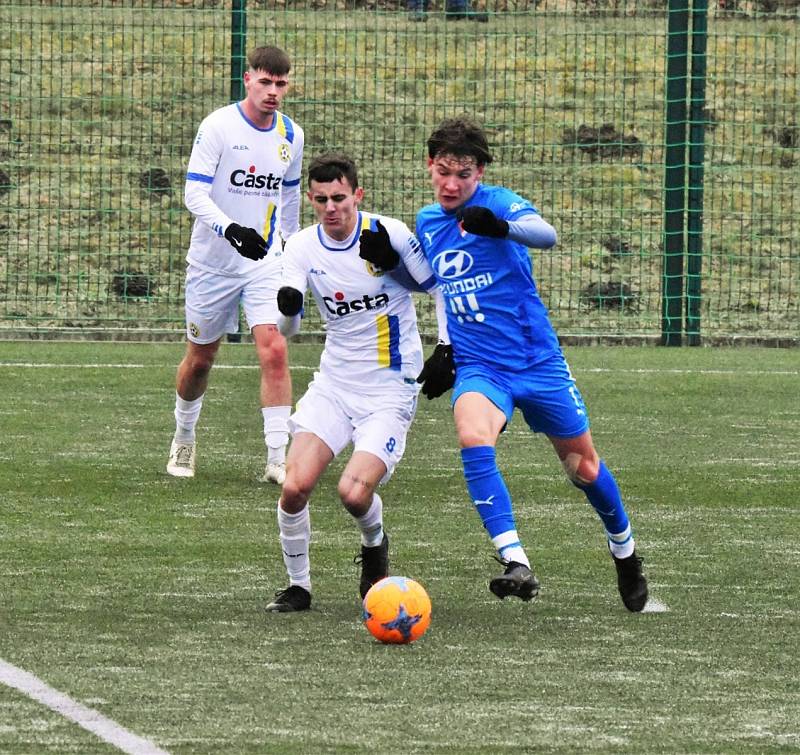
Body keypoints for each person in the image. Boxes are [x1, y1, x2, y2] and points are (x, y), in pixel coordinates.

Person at [412, 115, 649, 612]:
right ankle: (515, 561)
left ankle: (624, 549)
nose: (452, 183)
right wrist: (446, 346)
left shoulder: (496, 202)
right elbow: (437, 285)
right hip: (482, 366)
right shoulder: (427, 222)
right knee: (473, 435)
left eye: (465, 173)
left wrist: (501, 228)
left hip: (536, 361)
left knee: (583, 468)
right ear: (430, 167)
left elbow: (547, 234)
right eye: (444, 171)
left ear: (479, 174)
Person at [264, 153, 447, 612]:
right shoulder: (301, 247)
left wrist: (447, 346)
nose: (332, 207)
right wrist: (289, 310)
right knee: (293, 486)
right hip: (334, 384)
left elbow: (438, 286)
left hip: (389, 388)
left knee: (352, 491)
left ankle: (375, 543)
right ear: (311, 199)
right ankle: (299, 587)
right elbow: (288, 330)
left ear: (357, 195)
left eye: (340, 198)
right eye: (322, 199)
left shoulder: (390, 234)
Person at [166, 45, 304, 485]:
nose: (273, 91)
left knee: (275, 350)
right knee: (201, 359)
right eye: (266, 81)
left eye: (281, 84)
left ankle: (277, 458)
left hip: (264, 262)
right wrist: (231, 230)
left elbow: (289, 196)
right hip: (213, 263)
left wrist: (290, 251)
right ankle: (184, 436)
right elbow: (194, 194)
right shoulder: (218, 126)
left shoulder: (291, 135)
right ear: (248, 80)